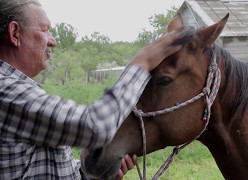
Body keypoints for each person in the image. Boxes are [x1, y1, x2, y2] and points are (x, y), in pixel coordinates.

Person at [0, 0, 183, 179]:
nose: (53, 41)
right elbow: (96, 127)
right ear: (15, 33)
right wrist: (142, 63)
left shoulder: (20, 91)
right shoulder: (6, 90)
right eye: (44, 29)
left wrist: (89, 175)